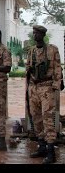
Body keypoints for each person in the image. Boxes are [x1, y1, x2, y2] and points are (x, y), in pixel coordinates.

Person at [26, 25, 62, 164]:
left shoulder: (52, 49)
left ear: (43, 35)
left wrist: (56, 86)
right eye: (33, 33)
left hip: (46, 87)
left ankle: (51, 152)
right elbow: (29, 69)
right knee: (36, 119)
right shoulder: (31, 51)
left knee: (48, 119)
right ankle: (41, 147)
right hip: (33, 87)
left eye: (37, 33)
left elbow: (58, 68)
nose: (35, 35)